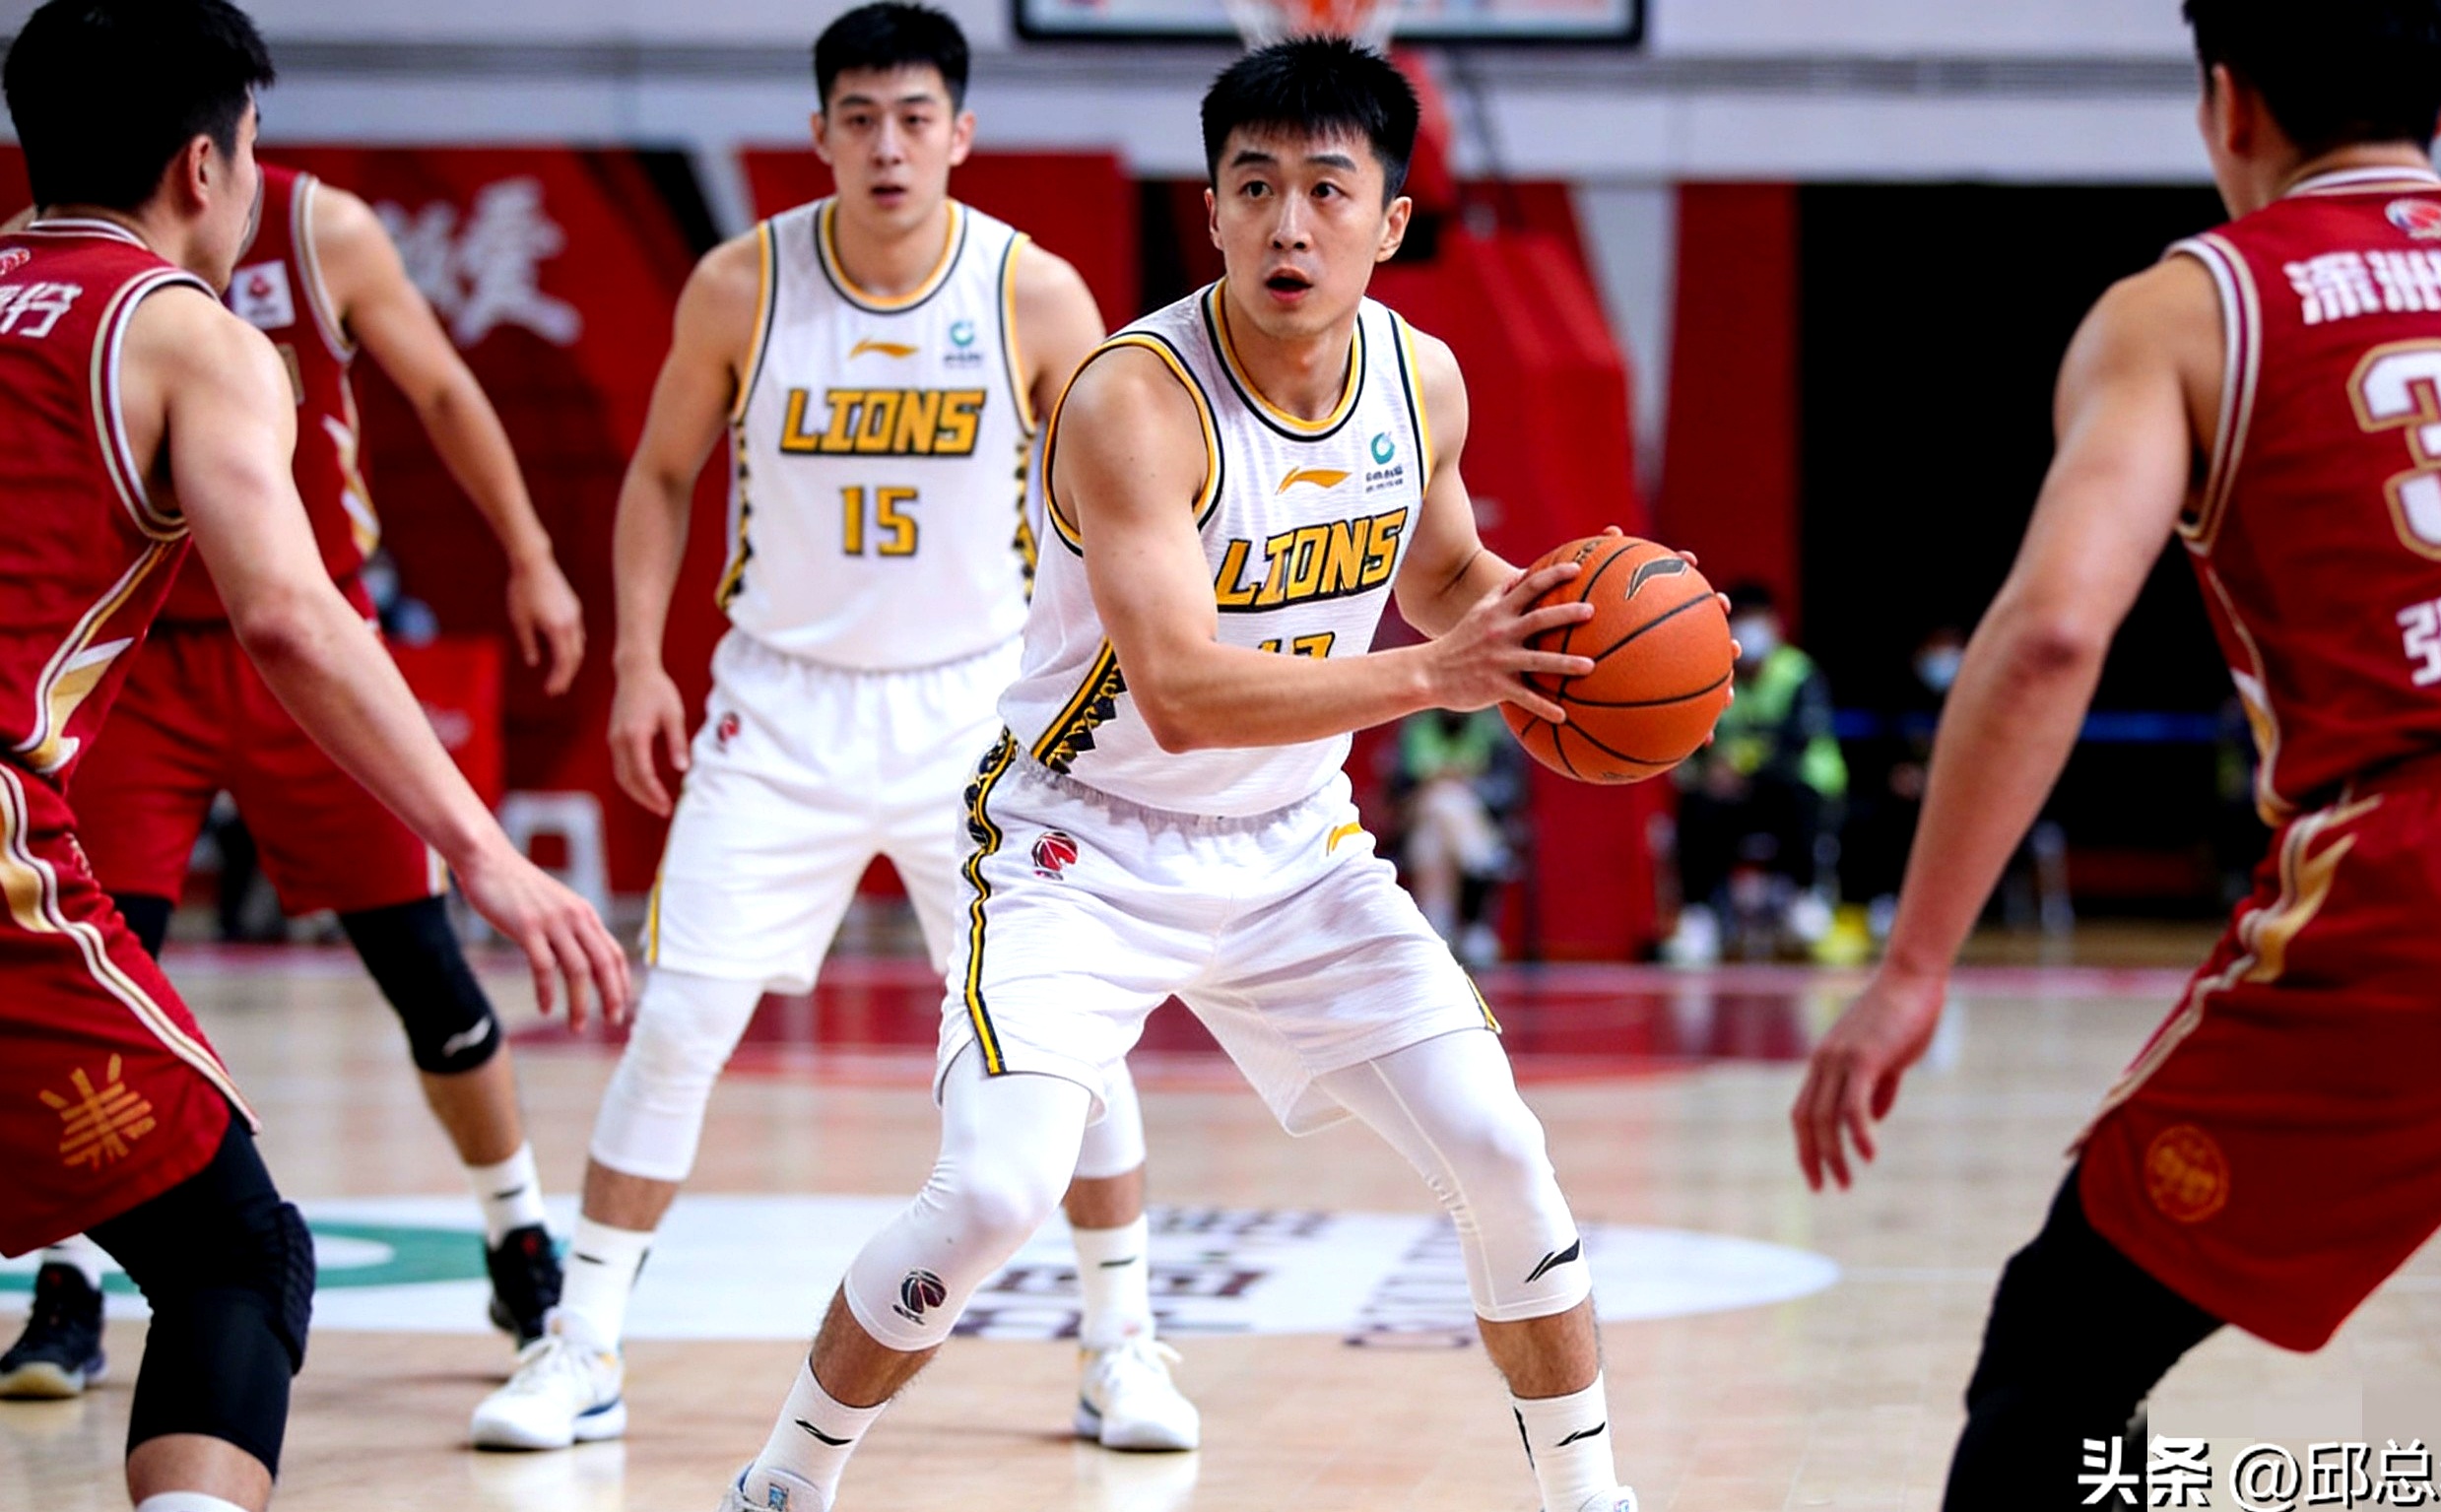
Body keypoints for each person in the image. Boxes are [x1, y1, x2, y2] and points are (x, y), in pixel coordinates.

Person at [714, 38, 1637, 1512]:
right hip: (1079, 844)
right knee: (993, 1193)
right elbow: (1186, 691)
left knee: (1501, 1150)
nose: (1288, 225)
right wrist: (1435, 675)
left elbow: (1444, 572)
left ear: (1391, 221)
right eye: (1252, 187)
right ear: (1209, 211)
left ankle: (1591, 1499)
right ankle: (782, 1479)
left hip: (1292, 848)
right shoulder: (1133, 399)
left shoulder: (1422, 380)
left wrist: (1572, 626)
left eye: (1326, 190)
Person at [1789, 1, 2441, 1503]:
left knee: (2067, 1349)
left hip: (2435, 868)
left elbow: (2052, 630)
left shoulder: (2187, 305)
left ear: (2226, 104)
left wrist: (1914, 962)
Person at [467, 2, 1198, 1455]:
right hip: (781, 703)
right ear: (818, 135)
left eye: (914, 118)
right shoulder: (742, 282)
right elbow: (659, 474)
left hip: (973, 711)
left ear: (960, 134)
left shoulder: (1031, 292)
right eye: (859, 118)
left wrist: (1116, 686)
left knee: (1064, 1035)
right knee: (678, 1018)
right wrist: (638, 661)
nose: (887, 145)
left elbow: (1123, 497)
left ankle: (1123, 1343)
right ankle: (582, 1340)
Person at [0, 5, 627, 1508]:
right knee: (238, 1251)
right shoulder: (183, 329)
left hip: (186, 696)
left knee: (408, 976)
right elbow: (292, 614)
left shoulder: (287, 243)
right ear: (205, 163)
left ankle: (515, 1234)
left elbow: (432, 401)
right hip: (132, 720)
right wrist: (484, 845)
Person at [1664, 582, 1846, 964]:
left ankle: (1805, 897)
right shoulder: (1710, 673)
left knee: (1797, 795)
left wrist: (1746, 773)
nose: (1749, 629)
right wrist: (1708, 771)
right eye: (1740, 620)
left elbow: (1797, 743)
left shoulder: (1798, 673)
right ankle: (1699, 915)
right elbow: (1695, 743)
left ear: (1775, 624)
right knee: (1696, 804)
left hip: (1787, 790)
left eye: (1756, 619)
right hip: (1732, 796)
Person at [1393, 705, 1523, 967]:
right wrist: (1436, 783)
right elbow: (1397, 791)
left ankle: (1437, 928)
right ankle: (1480, 867)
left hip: (1472, 817)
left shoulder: (1489, 729)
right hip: (1420, 812)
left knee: (1435, 829)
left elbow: (1507, 791)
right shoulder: (1417, 729)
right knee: (1441, 800)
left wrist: (1466, 785)